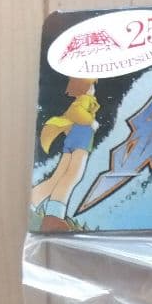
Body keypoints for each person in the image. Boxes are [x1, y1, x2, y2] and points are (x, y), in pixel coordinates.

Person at [31, 78, 100, 231]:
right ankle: (54, 216)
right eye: (92, 86)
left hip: (72, 139)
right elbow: (76, 112)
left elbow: (71, 114)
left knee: (59, 176)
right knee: (72, 176)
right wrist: (91, 121)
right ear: (87, 87)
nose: (93, 89)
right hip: (81, 140)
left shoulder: (80, 100)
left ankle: (33, 202)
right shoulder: (85, 99)